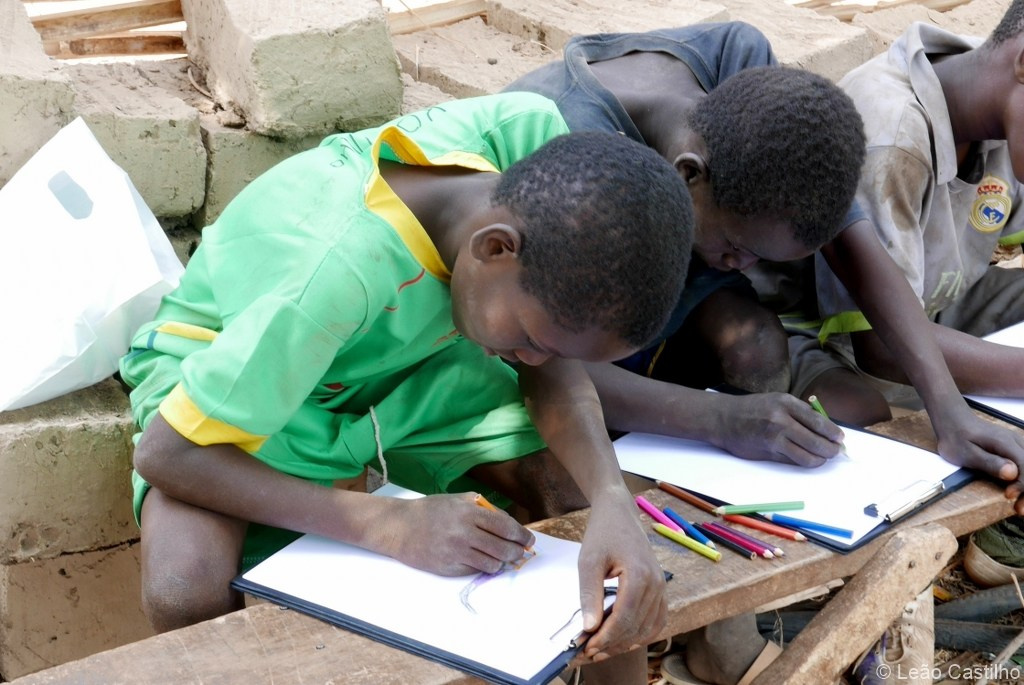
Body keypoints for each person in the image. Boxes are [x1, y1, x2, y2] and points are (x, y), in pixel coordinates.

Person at [504, 21, 1024, 685]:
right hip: (570, 322)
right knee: (581, 473)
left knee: (757, 346)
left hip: (659, 286)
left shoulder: (738, 66)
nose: (746, 267)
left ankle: (748, 606)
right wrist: (721, 420)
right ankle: (691, 636)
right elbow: (545, 359)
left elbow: (849, 241)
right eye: (737, 252)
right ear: (688, 178)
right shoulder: (573, 160)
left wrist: (945, 406)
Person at [119, 92, 694, 685]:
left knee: (586, 504)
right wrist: (388, 525)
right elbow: (168, 453)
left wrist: (611, 501)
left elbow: (551, 372)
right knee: (182, 587)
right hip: (256, 378)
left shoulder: (531, 144)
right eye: (531, 338)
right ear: (494, 248)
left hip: (417, 362)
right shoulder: (335, 274)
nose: (537, 363)